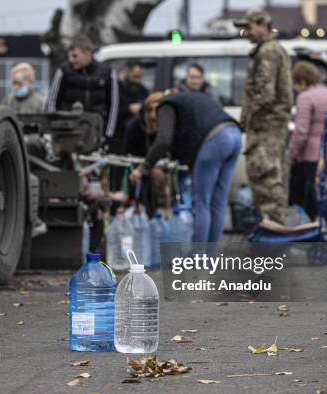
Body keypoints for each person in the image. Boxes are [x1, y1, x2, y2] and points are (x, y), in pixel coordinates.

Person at [130, 91, 242, 243]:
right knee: (218, 202)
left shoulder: (166, 105)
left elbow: (164, 141)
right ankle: (209, 256)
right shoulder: (186, 103)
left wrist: (143, 168)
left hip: (214, 140)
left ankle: (198, 256)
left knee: (201, 203)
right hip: (234, 135)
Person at [234, 9, 294, 225]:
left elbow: (264, 93)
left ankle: (275, 238)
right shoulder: (274, 49)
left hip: (265, 128)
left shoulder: (267, 51)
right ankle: (276, 234)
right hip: (273, 128)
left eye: (248, 27)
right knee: (274, 181)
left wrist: (246, 119)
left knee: (266, 180)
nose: (245, 33)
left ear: (263, 24)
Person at [288, 61, 327, 226]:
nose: (294, 89)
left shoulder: (305, 97)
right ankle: (310, 233)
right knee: (313, 195)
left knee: (321, 196)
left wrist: (290, 156)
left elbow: (301, 132)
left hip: (313, 157)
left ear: (302, 82)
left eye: (295, 84)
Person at [46, 36, 119, 141]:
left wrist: (108, 134)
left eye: (75, 56)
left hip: (95, 130)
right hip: (68, 130)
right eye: (70, 56)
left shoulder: (107, 73)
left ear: (87, 53)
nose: (71, 60)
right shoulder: (63, 71)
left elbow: (114, 105)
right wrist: (53, 130)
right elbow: (52, 101)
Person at [109, 61, 149, 192]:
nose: (137, 81)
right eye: (135, 76)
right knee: (116, 174)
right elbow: (112, 112)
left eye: (139, 77)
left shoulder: (142, 91)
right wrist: (128, 109)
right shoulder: (115, 89)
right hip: (118, 137)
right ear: (126, 71)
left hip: (136, 140)